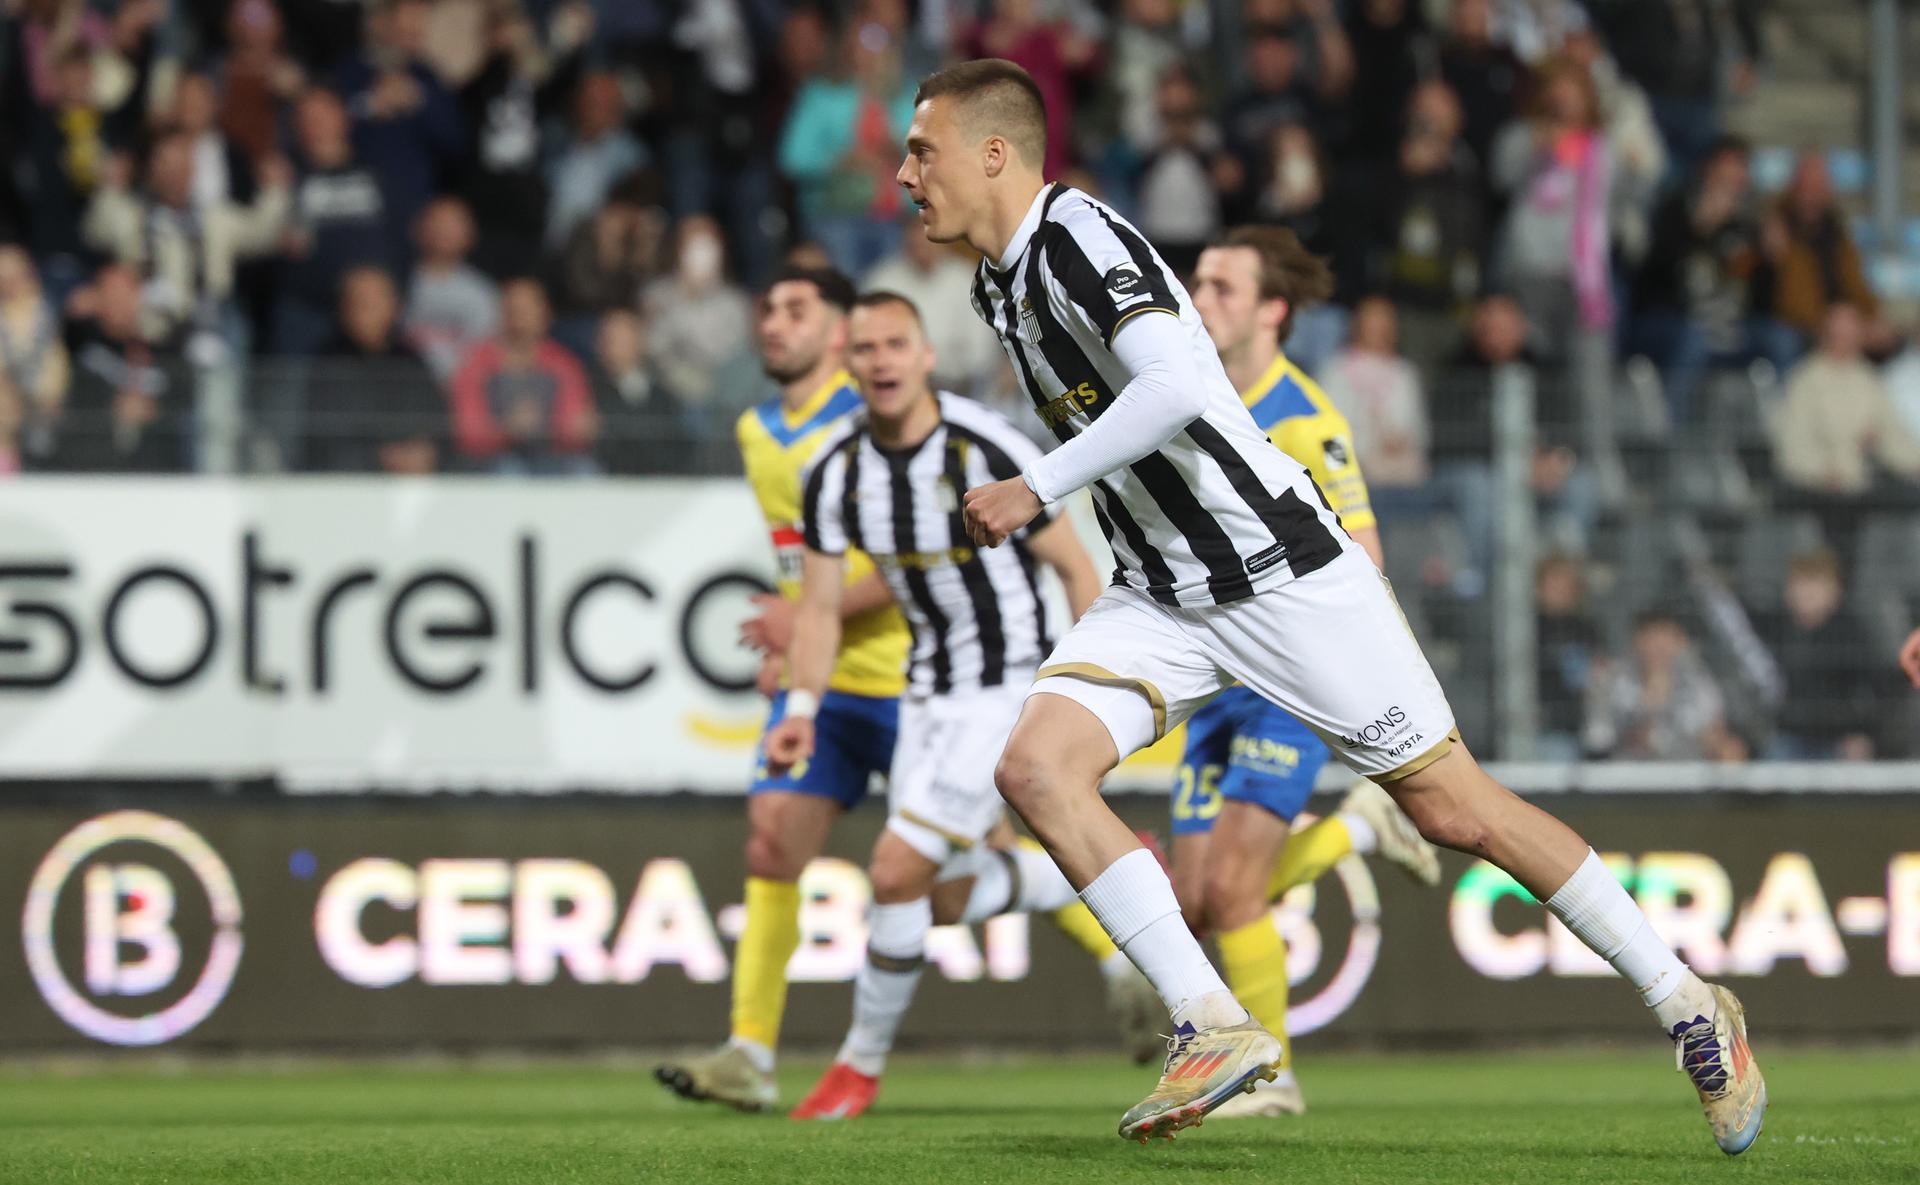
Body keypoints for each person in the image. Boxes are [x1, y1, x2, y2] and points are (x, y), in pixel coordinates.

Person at [897, 57, 1764, 1150]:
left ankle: (1691, 1001)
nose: (902, 172)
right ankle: (1213, 1022)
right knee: (1034, 768)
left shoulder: (1079, 238)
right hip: (1164, 593)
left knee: (1455, 811)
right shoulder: (998, 280)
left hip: (1279, 572)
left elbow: (1174, 384)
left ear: (993, 152)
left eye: (921, 149)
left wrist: (1037, 482)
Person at [772, 291, 1108, 1120]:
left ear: (925, 357)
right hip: (925, 692)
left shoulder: (983, 443)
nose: (881, 360)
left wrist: (1080, 696)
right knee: (938, 896)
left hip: (1008, 683)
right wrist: (800, 705)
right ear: (848, 365)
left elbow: (1074, 568)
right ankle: (1105, 872)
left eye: (897, 344)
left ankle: (858, 1067)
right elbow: (817, 609)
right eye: (866, 347)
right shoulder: (834, 472)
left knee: (892, 870)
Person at [1175, 228, 1441, 1120]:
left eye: (1220, 284)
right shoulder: (1190, 397)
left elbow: (1364, 554)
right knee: (1194, 904)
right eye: (1196, 280)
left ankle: (1272, 1076)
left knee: (1235, 888)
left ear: (1271, 309)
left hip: (1284, 686)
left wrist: (1376, 687)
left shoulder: (1306, 417)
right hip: (1210, 674)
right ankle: (1356, 831)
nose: (1197, 294)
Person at [652, 267, 912, 1113]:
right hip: (826, 685)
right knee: (771, 840)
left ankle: (1111, 953)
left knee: (955, 878)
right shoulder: (757, 430)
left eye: (797, 311)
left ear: (840, 333)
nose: (773, 323)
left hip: (919, 677)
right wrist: (796, 642)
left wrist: (799, 618)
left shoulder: (881, 417)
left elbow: (913, 563)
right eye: (767, 308)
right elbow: (800, 556)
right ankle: (750, 1053)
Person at [446, 277, 597, 476]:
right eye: (514, 308)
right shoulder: (477, 363)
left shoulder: (563, 364)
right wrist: (506, 430)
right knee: (508, 473)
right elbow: (468, 431)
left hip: (553, 458)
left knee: (586, 473)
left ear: (545, 313)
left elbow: (576, 427)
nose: (520, 316)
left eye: (528, 308)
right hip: (494, 461)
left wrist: (556, 426)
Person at [306, 266, 443, 474]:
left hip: (414, 486)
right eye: (357, 301)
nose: (364, 308)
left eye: (374, 301)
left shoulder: (412, 362)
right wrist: (382, 457)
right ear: (343, 307)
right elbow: (321, 443)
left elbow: (438, 424)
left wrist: (423, 452)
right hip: (350, 485)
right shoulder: (325, 363)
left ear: (395, 306)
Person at [1755, 551, 1879, 761]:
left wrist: (1861, 733)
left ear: (1834, 591)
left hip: (1838, 739)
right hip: (1789, 738)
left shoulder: (1852, 634)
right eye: (1799, 584)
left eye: (1814, 584)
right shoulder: (1775, 630)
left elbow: (1871, 693)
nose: (1805, 592)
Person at [1584, 610, 1745, 763]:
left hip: (1685, 773)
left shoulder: (1697, 681)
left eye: (1665, 637)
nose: (1658, 647)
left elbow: (1712, 731)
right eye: (1651, 638)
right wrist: (1633, 731)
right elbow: (1597, 739)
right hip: (1626, 776)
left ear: (1680, 642)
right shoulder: (1610, 679)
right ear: (1636, 641)